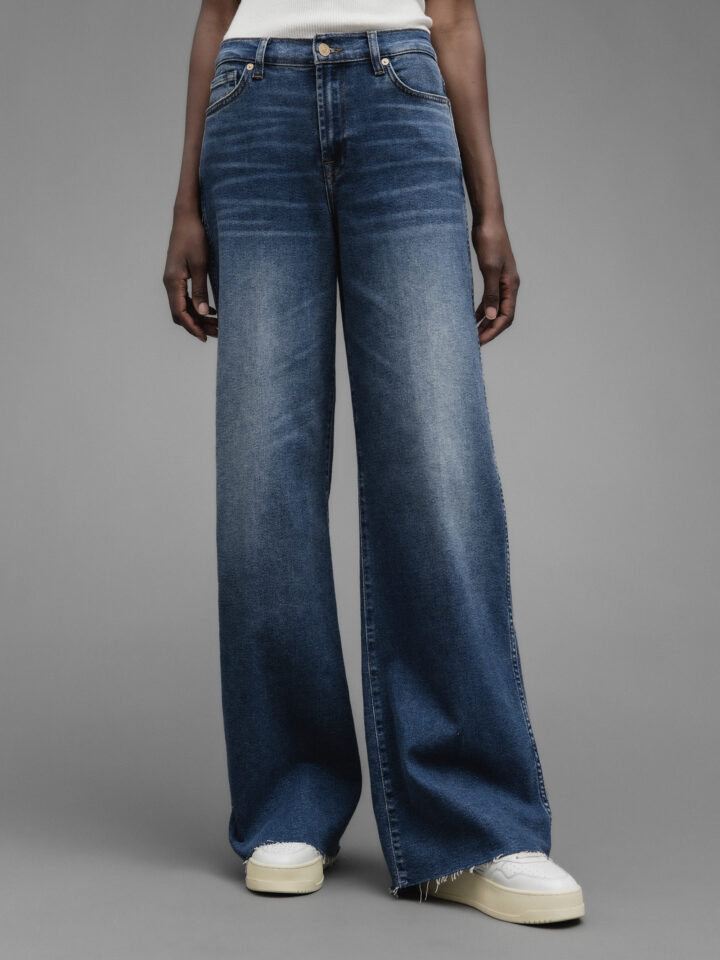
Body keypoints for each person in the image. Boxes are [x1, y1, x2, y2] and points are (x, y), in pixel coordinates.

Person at [163, 0, 584, 925]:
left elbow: (454, 15)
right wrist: (185, 202)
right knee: (262, 482)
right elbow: (215, 12)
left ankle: (475, 825)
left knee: (439, 471)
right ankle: (290, 801)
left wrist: (491, 208)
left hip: (401, 95)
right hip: (253, 103)